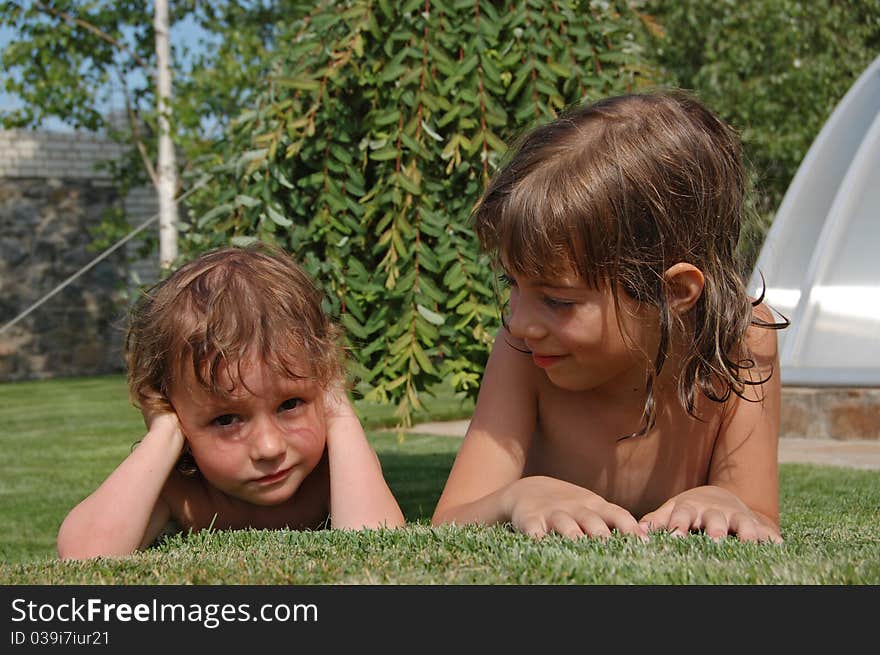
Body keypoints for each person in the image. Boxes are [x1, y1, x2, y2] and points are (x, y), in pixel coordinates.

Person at [432, 91, 786, 543]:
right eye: (511, 285)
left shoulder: (740, 342)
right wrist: (519, 495)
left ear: (674, 291)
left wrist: (724, 501)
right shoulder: (525, 352)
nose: (519, 323)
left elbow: (756, 512)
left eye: (559, 301)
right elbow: (453, 518)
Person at [57, 245, 404, 559]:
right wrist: (162, 434)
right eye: (226, 420)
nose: (268, 448)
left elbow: (374, 546)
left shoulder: (336, 464)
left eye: (290, 404)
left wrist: (340, 414)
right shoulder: (179, 489)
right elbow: (83, 557)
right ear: (174, 411)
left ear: (324, 384)